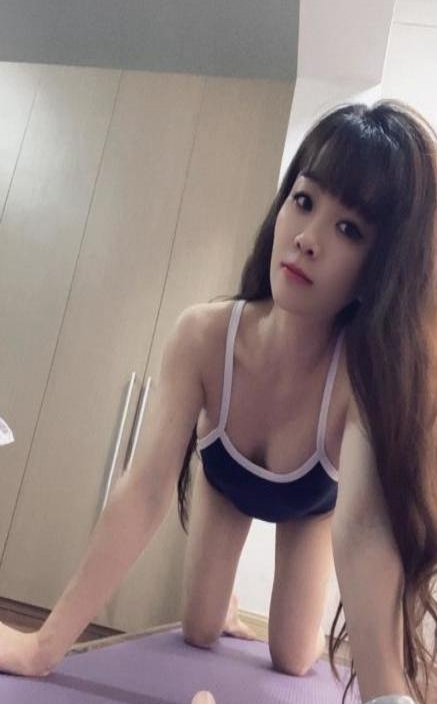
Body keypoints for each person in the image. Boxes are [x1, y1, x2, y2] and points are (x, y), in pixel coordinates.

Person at [0, 99, 436, 704]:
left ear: (378, 270)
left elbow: (362, 531)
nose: (308, 239)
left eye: (349, 230)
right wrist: (44, 647)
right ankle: (225, 606)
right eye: (304, 201)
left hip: (311, 503)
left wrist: (389, 695)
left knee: (293, 657)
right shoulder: (203, 336)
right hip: (226, 481)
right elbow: (144, 491)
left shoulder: (361, 375)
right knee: (201, 628)